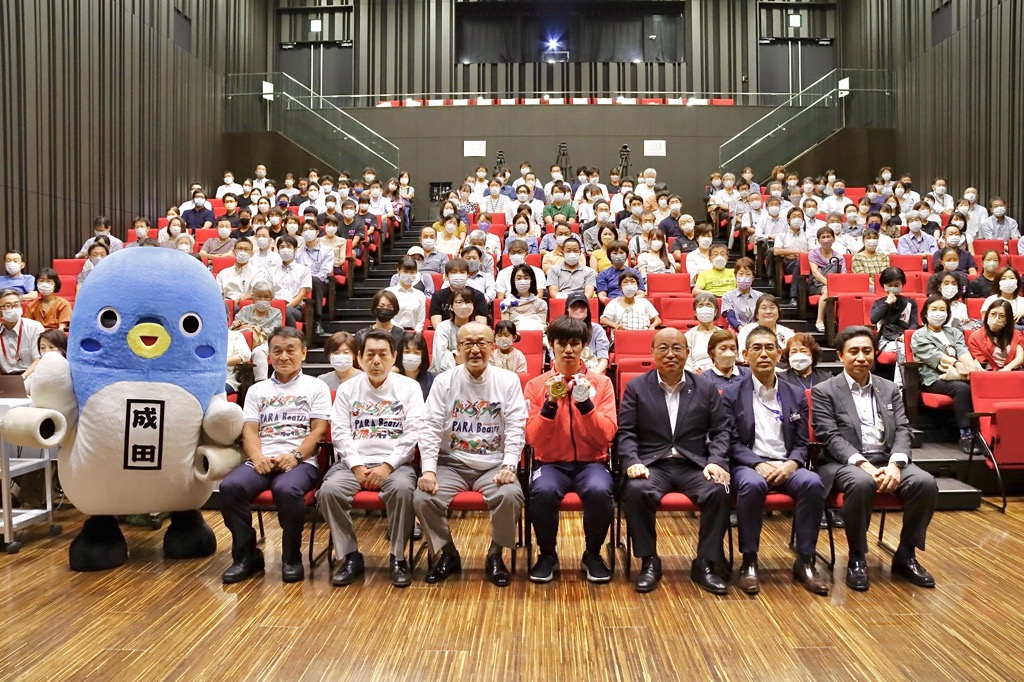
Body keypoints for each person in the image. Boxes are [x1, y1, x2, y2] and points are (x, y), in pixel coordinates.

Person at [811, 326, 939, 591]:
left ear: (874, 354)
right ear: (840, 355)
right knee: (861, 483)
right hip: (843, 463)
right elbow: (830, 436)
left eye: (867, 351)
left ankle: (906, 553)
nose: (861, 357)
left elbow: (903, 428)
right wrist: (865, 465)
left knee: (924, 483)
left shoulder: (889, 388)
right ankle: (857, 557)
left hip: (887, 459)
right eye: (854, 351)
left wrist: (895, 464)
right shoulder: (825, 390)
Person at [617, 328, 731, 594]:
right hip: (652, 465)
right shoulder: (636, 387)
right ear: (653, 353)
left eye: (677, 348)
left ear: (688, 353)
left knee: (719, 489)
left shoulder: (705, 387)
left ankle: (705, 562)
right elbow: (626, 432)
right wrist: (633, 460)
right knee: (635, 490)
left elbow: (721, 431)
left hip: (693, 465)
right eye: (663, 348)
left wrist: (716, 461)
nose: (670, 354)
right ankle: (649, 561)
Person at [413, 322, 527, 587]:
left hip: (494, 464)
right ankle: (448, 553)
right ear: (458, 349)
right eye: (468, 343)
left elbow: (516, 425)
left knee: (510, 496)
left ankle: (496, 554)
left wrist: (509, 465)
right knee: (421, 498)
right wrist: (428, 469)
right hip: (451, 462)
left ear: (492, 346)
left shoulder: (508, 380)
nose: (475, 349)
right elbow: (429, 426)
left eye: (481, 343)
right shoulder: (444, 381)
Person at [218, 327, 331, 584]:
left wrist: (295, 456)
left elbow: (318, 431)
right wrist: (256, 456)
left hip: (300, 461)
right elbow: (249, 430)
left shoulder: (316, 387)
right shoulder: (258, 390)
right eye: (277, 351)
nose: (283, 356)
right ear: (269, 355)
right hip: (262, 458)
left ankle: (291, 557)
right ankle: (246, 555)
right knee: (230, 487)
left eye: (290, 350)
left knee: (287, 490)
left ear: (303, 353)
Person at [721, 326, 829, 596]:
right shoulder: (732, 394)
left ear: (779, 353)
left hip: (786, 464)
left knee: (813, 483)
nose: (764, 353)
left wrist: (793, 463)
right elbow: (729, 441)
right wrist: (757, 463)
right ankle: (749, 561)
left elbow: (803, 442)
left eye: (770, 348)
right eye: (756, 348)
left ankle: (805, 561)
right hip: (749, 465)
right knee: (752, 486)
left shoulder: (795, 394)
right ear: (744, 355)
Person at [318, 330, 424, 588]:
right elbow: (340, 431)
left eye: (383, 354)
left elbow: (414, 431)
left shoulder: (409, 387)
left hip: (396, 464)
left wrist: (387, 466)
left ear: (394, 357)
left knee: (401, 490)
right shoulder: (347, 389)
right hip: (354, 463)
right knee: (328, 492)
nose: (376, 361)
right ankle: (350, 555)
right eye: (370, 355)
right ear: (359, 358)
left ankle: (398, 558)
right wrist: (356, 466)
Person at [524, 316, 617, 583]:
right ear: (551, 345)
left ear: (584, 346)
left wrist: (586, 405)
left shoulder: (602, 384)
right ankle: (547, 554)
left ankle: (593, 554)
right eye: (561, 343)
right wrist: (550, 404)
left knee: (601, 491)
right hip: (551, 463)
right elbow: (532, 437)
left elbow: (608, 434)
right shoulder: (536, 385)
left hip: (592, 463)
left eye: (574, 343)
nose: (568, 350)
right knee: (541, 491)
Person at [912, 295, 981, 453]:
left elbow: (963, 351)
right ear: (926, 313)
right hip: (932, 378)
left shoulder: (954, 332)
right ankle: (966, 435)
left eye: (942, 310)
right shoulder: (919, 335)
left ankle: (983, 433)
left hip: (959, 374)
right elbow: (934, 355)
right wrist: (957, 364)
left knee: (981, 385)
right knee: (961, 389)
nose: (939, 313)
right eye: (934, 309)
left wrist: (970, 368)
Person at [232, 281, 280, 382]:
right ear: (253, 297)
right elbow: (234, 327)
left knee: (259, 352)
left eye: (266, 297)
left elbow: (273, 332)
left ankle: (261, 383)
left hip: (264, 343)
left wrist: (254, 328)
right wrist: (235, 325)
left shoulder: (276, 313)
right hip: (243, 343)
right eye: (259, 296)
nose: (263, 300)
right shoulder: (245, 310)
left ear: (272, 298)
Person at [429, 258, 488, 328]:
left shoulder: (478, 295)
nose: (458, 275)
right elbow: (436, 323)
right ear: (447, 276)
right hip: (446, 333)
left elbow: (481, 323)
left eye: (462, 272)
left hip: (471, 334)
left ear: (467, 276)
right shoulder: (438, 296)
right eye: (454, 272)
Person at [807, 225, 846, 332]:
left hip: (836, 284)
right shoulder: (813, 253)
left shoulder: (839, 256)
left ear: (833, 238)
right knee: (828, 291)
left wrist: (837, 285)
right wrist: (829, 284)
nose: (826, 239)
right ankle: (819, 320)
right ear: (818, 240)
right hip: (817, 283)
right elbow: (815, 272)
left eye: (828, 236)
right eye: (823, 237)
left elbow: (843, 274)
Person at [967, 299, 1024, 371]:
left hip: (1012, 370)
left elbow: (1020, 357)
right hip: (987, 371)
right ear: (987, 315)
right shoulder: (975, 336)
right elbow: (981, 362)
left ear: (1008, 319)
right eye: (993, 314)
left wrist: (1008, 368)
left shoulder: (1016, 334)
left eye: (1002, 316)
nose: (997, 318)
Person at [269, 235, 311, 328]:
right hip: (274, 305)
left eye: (288, 247)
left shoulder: (304, 270)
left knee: (286, 312)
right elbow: (268, 292)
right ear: (278, 250)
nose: (285, 249)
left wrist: (285, 308)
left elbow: (302, 293)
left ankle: (291, 338)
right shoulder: (271, 270)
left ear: (295, 250)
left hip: (295, 307)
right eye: (282, 247)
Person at [430, 289, 476, 373]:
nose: (464, 306)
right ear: (451, 307)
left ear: (473, 307)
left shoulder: (478, 329)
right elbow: (440, 357)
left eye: (468, 302)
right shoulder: (443, 327)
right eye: (459, 302)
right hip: (444, 374)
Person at [0, 289, 43, 374]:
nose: (13, 309)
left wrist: (22, 379)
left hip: (31, 375)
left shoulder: (34, 327)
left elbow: (38, 360)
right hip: (6, 379)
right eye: (7, 306)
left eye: (16, 305)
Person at [564, 292, 609, 375]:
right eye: (574, 306)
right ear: (567, 309)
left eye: (582, 306)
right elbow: (556, 360)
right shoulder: (560, 330)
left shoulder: (597, 329)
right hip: (566, 372)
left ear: (587, 310)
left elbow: (603, 359)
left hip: (593, 371)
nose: (578, 309)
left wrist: (592, 375)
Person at [683, 292, 720, 373]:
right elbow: (685, 361)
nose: (705, 308)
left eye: (708, 305)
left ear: (715, 312)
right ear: (695, 313)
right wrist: (693, 372)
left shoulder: (723, 334)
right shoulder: (689, 336)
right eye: (700, 305)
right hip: (696, 376)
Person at [387, 256, 427, 333]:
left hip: (413, 334)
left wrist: (416, 333)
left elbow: (421, 320)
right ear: (398, 271)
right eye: (405, 271)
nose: (409, 275)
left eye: (412, 272)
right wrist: (400, 332)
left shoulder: (420, 295)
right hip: (392, 332)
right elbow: (388, 317)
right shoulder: (389, 292)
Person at [721, 257, 762, 330]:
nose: (744, 278)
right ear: (735, 275)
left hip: (756, 330)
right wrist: (740, 328)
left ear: (753, 277)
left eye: (748, 274)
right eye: (741, 274)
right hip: (736, 329)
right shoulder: (728, 296)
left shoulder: (760, 296)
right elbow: (730, 317)